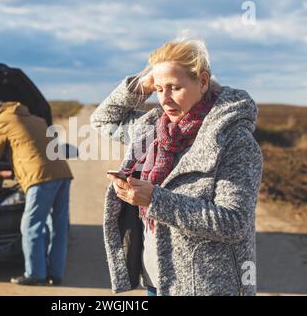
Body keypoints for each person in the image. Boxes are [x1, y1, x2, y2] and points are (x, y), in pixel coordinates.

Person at [90, 39, 263, 296]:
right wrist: (143, 83)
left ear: (203, 81)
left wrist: (154, 199)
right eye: (159, 90)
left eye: (174, 87)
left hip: (207, 287)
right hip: (156, 282)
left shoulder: (235, 141)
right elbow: (103, 119)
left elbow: (234, 222)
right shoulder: (151, 130)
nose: (165, 100)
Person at [0, 101, 73, 286]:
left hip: (40, 178)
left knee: (31, 225)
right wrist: (13, 172)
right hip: (62, 173)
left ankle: (35, 274)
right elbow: (31, 149)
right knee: (58, 226)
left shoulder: (3, 120)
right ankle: (55, 274)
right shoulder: (36, 120)